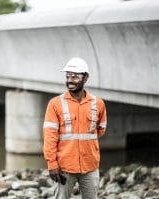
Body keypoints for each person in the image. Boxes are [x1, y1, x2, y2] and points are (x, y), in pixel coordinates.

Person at [42, 57, 107, 199]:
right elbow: (50, 137)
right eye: (67, 76)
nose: (70, 80)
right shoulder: (55, 104)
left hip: (90, 166)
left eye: (75, 76)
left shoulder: (98, 103)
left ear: (85, 78)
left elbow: (100, 130)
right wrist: (52, 164)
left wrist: (86, 144)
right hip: (64, 167)